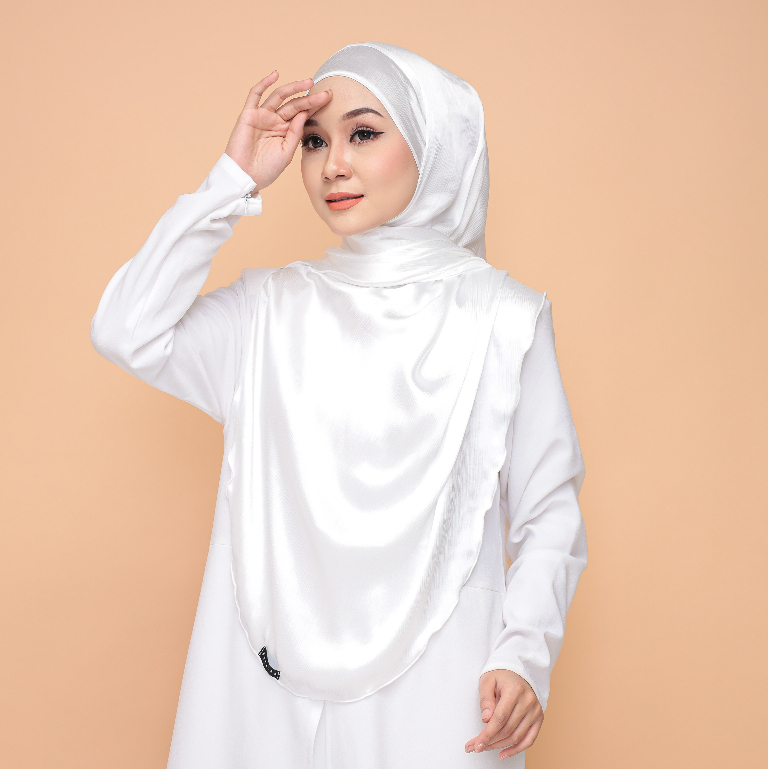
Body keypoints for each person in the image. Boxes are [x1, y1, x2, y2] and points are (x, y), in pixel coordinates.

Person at [91, 42, 587, 768]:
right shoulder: (266, 311)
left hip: (439, 679)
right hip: (261, 679)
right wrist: (232, 179)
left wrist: (524, 653)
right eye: (315, 141)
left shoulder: (503, 318)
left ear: (432, 144)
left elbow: (549, 511)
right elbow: (125, 329)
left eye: (363, 133)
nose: (332, 165)